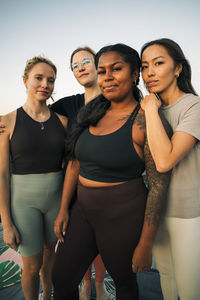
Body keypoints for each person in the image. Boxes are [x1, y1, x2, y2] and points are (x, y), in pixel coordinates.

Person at [52, 43, 171, 300]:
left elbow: (158, 186)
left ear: (135, 73)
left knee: (124, 283)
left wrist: (145, 244)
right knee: (61, 279)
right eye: (102, 70)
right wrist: (64, 208)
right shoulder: (91, 112)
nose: (107, 77)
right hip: (82, 211)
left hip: (122, 216)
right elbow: (74, 162)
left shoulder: (144, 119)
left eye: (116, 69)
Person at [0, 56, 67, 300]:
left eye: (50, 80)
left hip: (55, 200)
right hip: (23, 202)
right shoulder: (6, 122)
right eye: (39, 78)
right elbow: (2, 175)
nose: (45, 84)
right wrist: (7, 223)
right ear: (25, 80)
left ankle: (47, 295)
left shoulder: (63, 122)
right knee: (30, 266)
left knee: (51, 256)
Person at [140, 38, 200, 300]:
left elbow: (165, 160)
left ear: (178, 69)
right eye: (144, 66)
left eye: (158, 63)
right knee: (166, 279)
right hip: (157, 210)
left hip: (188, 214)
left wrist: (151, 108)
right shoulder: (147, 108)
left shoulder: (193, 107)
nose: (149, 72)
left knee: (189, 290)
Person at [51, 46, 109, 300]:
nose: (81, 67)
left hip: (105, 184)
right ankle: (86, 283)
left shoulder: (113, 100)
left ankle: (99, 285)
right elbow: (35, 113)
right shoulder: (69, 104)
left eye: (86, 61)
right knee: (77, 240)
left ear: (98, 65)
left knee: (100, 242)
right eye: (75, 65)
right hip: (72, 184)